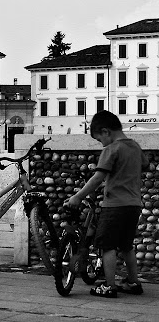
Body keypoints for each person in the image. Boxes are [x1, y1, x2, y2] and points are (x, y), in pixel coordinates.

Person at [65, 110, 149, 298]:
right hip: (134, 204)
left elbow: (98, 177)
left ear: (106, 132)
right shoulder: (134, 147)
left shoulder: (111, 149)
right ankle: (134, 282)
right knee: (127, 246)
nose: (101, 143)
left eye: (99, 139)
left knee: (108, 245)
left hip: (114, 205)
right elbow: (146, 166)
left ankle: (109, 286)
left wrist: (77, 196)